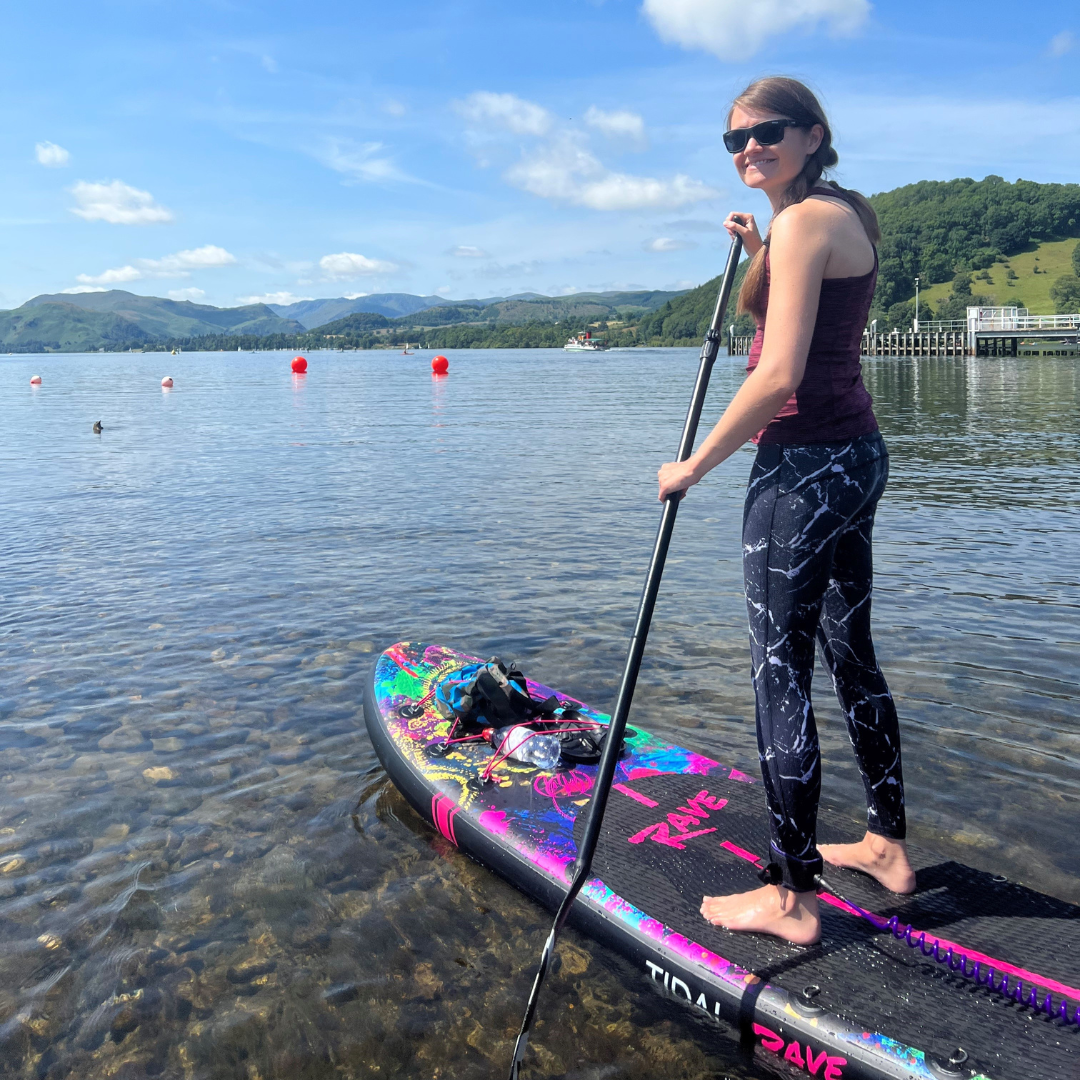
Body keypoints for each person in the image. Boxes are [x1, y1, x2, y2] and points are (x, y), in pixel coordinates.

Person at [657, 76, 915, 946]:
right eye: (733, 140)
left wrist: (693, 464)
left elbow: (776, 376)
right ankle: (885, 844)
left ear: (812, 134)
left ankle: (790, 897)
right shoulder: (840, 213)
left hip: (801, 471)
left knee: (779, 672)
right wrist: (757, 237)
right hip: (858, 456)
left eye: (766, 133)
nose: (747, 149)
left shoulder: (802, 224)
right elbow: (788, 313)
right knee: (850, 652)